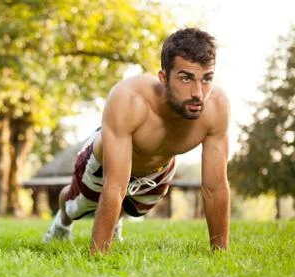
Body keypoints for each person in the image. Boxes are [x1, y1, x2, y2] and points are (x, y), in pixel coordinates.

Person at [43, 28, 231, 255]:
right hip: (103, 163)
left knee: (134, 208)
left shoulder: (217, 107)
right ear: (163, 78)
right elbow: (114, 185)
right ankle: (62, 223)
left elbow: (215, 187)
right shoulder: (129, 99)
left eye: (207, 79)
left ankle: (115, 219)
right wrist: (98, 258)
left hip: (157, 171)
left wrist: (220, 254)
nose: (198, 93)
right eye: (186, 78)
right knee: (78, 204)